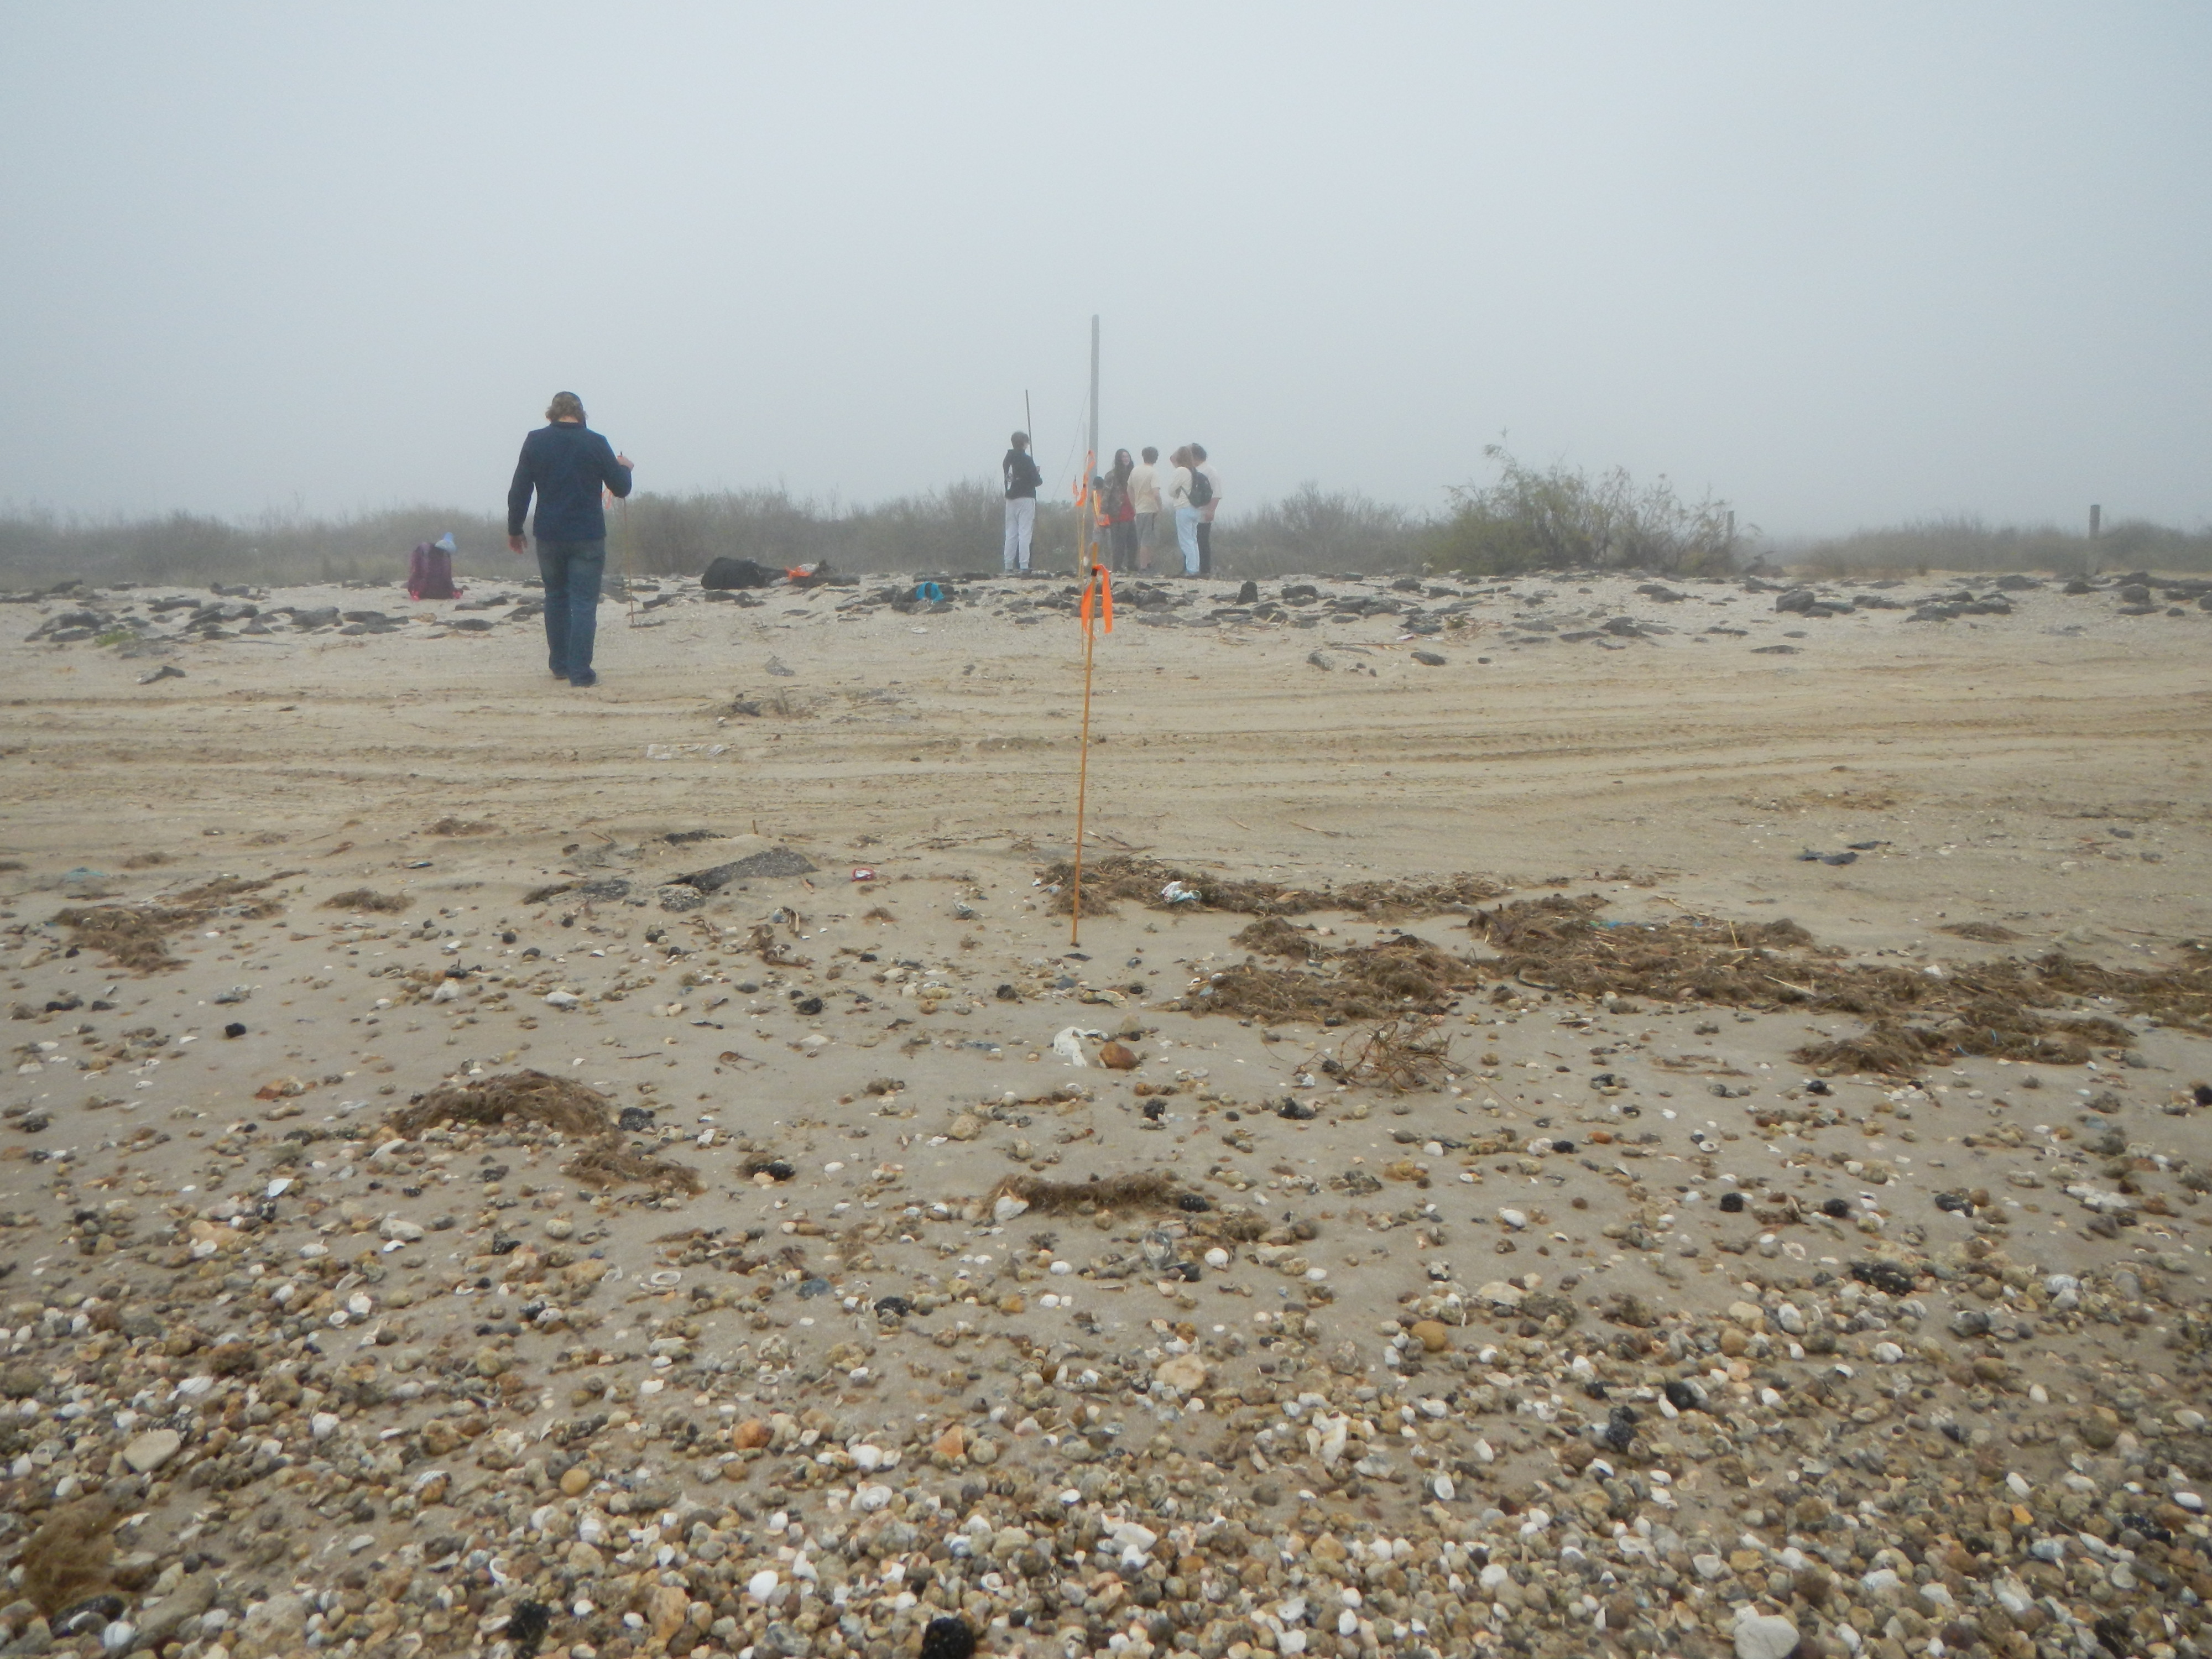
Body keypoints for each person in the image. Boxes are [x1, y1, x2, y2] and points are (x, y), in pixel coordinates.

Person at [507, 392, 633, 688]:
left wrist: (515, 529)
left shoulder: (536, 441)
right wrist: (625, 468)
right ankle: (580, 673)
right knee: (585, 603)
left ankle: (560, 665)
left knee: (556, 598)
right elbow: (621, 488)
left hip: (549, 534)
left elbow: (520, 490)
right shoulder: (595, 442)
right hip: (587, 535)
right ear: (581, 414)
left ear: (551, 413)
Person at [1002, 431, 1042, 573]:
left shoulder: (1007, 459)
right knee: (1025, 531)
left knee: (1011, 532)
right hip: (1026, 497)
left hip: (1011, 499)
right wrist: (1036, 472)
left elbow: (1014, 476)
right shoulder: (1026, 459)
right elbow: (1037, 481)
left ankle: (1008, 565)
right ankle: (1024, 564)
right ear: (1024, 443)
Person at [1165, 445, 1201, 576]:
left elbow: (1171, 491)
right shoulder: (1193, 471)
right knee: (1193, 540)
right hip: (1195, 509)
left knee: (1185, 540)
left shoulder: (1181, 471)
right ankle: (1195, 568)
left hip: (1183, 507)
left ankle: (1191, 570)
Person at [1103, 450, 1138, 573]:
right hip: (1118, 512)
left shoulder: (1133, 473)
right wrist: (1103, 513)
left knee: (1133, 541)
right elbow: (1106, 494)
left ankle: (1131, 565)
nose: (1126, 459)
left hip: (1130, 511)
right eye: (1123, 456)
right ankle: (1117, 566)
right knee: (1119, 542)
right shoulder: (1111, 475)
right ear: (1119, 459)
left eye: (1127, 456)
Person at [1190, 442, 1222, 577]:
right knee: (1191, 541)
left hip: (1203, 513)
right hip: (1191, 513)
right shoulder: (1192, 471)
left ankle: (1204, 570)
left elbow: (1217, 493)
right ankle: (1192, 568)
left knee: (1202, 541)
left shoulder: (1210, 471)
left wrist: (1211, 510)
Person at [1128, 446, 1161, 571]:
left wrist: (1134, 504)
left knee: (1142, 538)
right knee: (1148, 540)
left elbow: (1129, 489)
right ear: (1156, 458)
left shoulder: (1135, 471)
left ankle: (1145, 564)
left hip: (1139, 509)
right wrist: (1160, 508)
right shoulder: (1153, 472)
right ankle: (1145, 566)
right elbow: (1156, 493)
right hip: (1150, 508)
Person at [407, 530, 461, 600]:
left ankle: (416, 592)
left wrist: (414, 589)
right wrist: (453, 590)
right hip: (444, 594)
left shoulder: (424, 551)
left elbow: (416, 572)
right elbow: (447, 577)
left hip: (423, 593)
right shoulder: (445, 556)